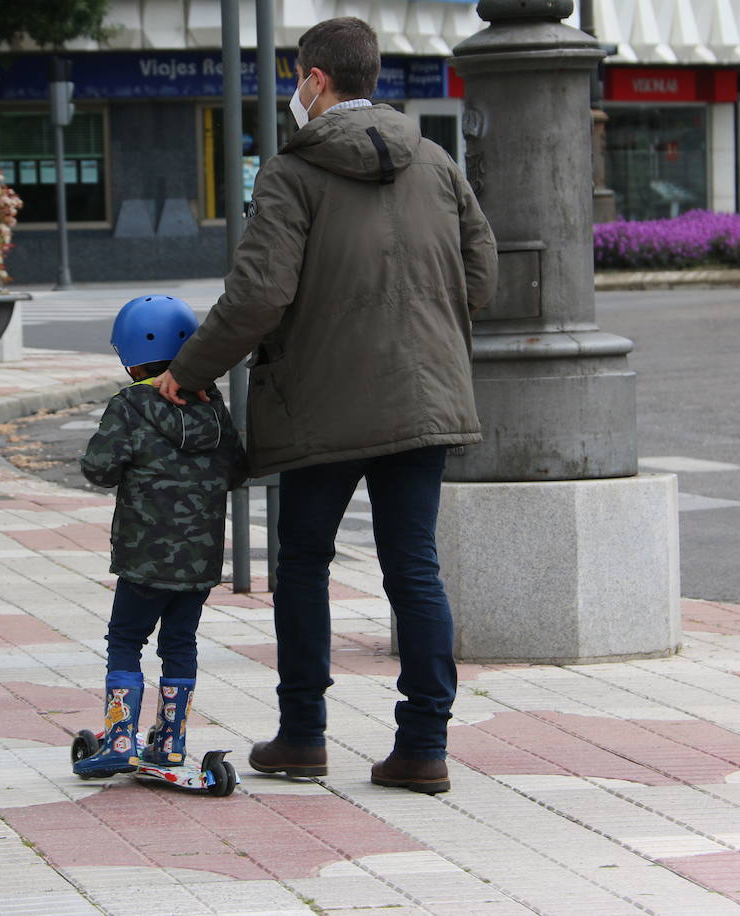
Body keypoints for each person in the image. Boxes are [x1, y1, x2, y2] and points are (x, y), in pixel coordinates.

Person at [154, 17, 498, 794]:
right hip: (425, 397)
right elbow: (483, 277)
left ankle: (303, 737)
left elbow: (260, 295)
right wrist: (434, 336)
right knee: (414, 565)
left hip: (320, 408)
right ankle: (422, 748)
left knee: (304, 562)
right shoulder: (436, 162)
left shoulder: (292, 172)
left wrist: (188, 370)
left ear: (313, 79)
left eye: (295, 78)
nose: (292, 92)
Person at [73, 294, 247, 778]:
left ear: (129, 356)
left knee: (126, 638)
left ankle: (120, 737)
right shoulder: (213, 407)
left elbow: (99, 469)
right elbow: (236, 469)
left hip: (143, 558)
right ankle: (171, 741)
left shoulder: (129, 406)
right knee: (180, 642)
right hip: (198, 561)